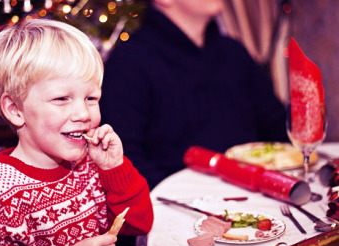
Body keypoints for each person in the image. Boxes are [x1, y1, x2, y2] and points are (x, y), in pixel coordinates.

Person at [0, 19, 153, 246]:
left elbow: (140, 224)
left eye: (91, 98)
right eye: (61, 98)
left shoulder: (90, 164)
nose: (83, 113)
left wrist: (114, 168)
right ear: (15, 110)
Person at [101, 0, 288, 190]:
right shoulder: (129, 62)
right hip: (180, 206)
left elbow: (279, 126)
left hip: (256, 193)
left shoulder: (233, 52)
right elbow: (125, 159)